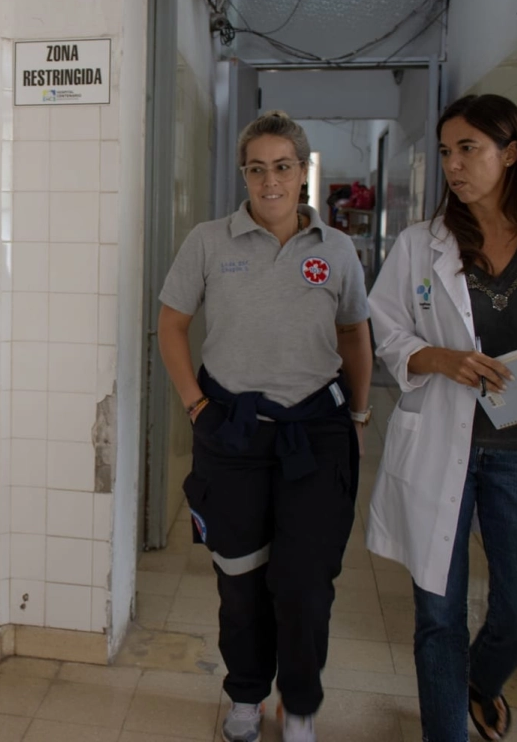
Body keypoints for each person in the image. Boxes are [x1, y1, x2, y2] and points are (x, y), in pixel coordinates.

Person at [367, 94, 517, 742]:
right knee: (437, 614)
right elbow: (386, 326)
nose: (453, 164)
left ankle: (478, 681)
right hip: (440, 444)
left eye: (468, 149)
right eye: (446, 151)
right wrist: (436, 357)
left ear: (510, 154)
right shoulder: (421, 245)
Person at [158, 110, 373, 742]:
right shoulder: (209, 241)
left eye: (282, 167)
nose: (270, 181)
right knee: (241, 578)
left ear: (302, 172)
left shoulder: (336, 249)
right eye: (257, 169)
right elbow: (171, 325)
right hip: (233, 432)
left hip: (316, 431)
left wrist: (359, 415)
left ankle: (299, 705)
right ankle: (247, 696)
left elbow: (354, 335)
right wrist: (197, 406)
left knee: (306, 583)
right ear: (244, 174)